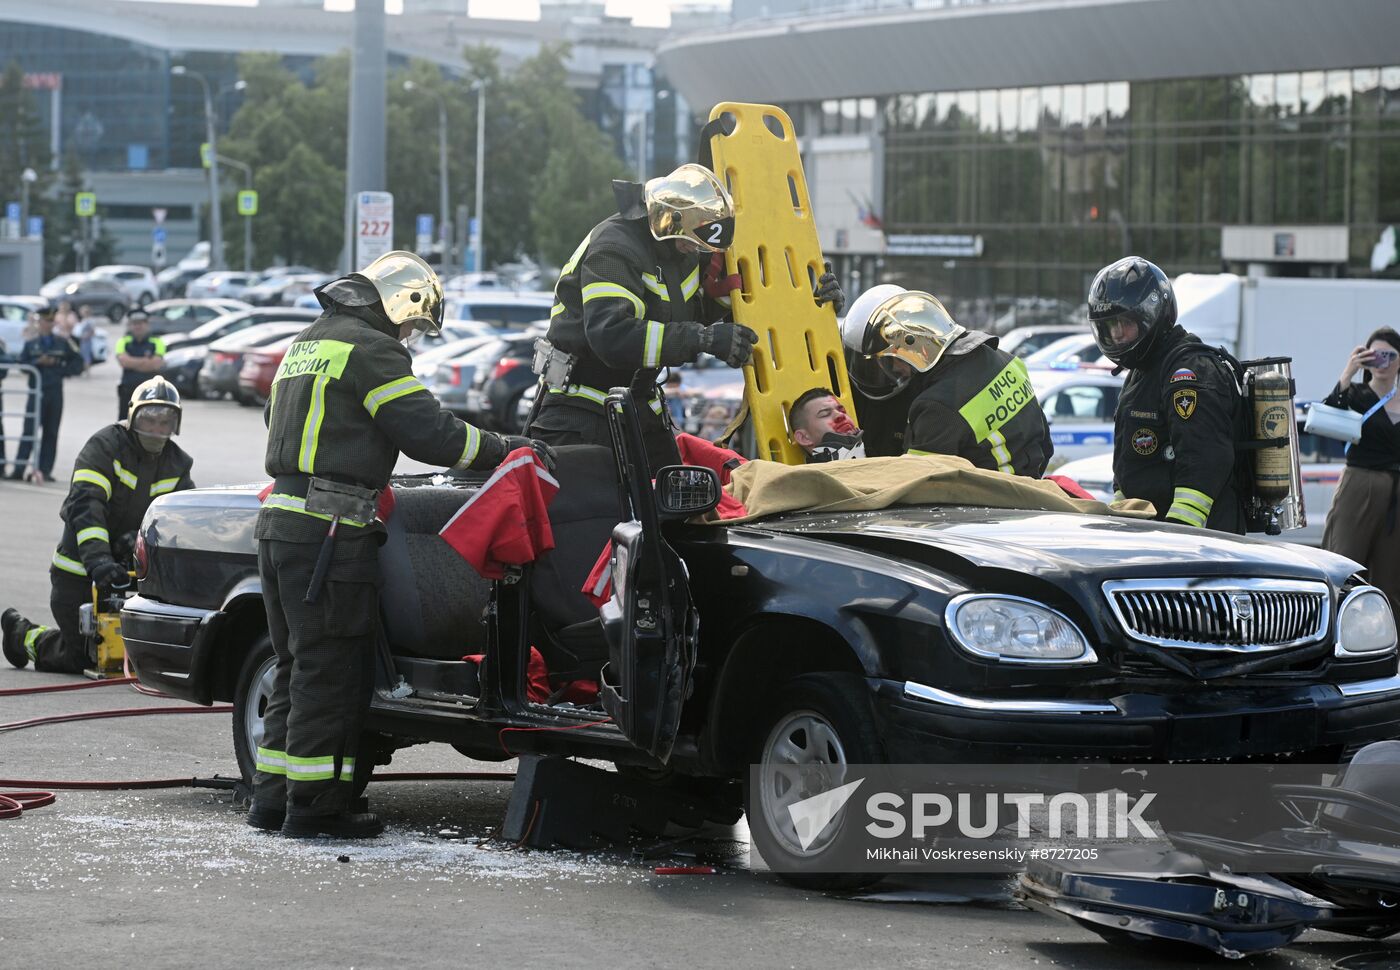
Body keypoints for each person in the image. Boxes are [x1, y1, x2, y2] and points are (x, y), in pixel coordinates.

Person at [252, 250, 553, 841]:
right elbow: (428, 433)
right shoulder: (371, 349)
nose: (410, 336)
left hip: (281, 523)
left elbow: (285, 423)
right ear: (396, 303)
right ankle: (315, 808)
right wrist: (503, 447)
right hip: (331, 532)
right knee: (330, 671)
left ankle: (273, 797)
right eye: (413, 324)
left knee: (296, 665)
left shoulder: (308, 343)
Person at [527, 162, 845, 473]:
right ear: (670, 219)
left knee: (676, 509)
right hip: (580, 411)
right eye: (693, 241)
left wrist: (812, 301)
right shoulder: (614, 248)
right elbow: (612, 337)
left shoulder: (677, 253)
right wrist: (703, 339)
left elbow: (691, 312)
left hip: (638, 408)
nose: (696, 251)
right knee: (583, 517)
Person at [3, 376, 194, 674]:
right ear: (133, 416)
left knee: (125, 654)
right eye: (149, 420)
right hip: (78, 570)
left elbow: (179, 521)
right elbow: (85, 505)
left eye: (165, 422)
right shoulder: (105, 447)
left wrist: (139, 540)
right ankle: (22, 635)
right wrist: (100, 560)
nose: (157, 429)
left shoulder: (178, 464)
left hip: (131, 573)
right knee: (85, 657)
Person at [1088, 256, 1244, 533]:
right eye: (1110, 327)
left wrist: (1179, 534)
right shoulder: (1143, 370)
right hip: (1153, 538)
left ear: (1152, 314)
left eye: (1125, 323)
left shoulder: (1188, 373)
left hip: (1198, 547)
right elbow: (1134, 466)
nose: (1117, 335)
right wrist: (1122, 518)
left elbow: (1205, 462)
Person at [842, 285, 1053, 476]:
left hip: (982, 510)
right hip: (1027, 493)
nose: (893, 371)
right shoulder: (1006, 360)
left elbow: (911, 485)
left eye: (890, 362)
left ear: (912, 344)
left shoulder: (938, 406)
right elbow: (1044, 444)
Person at [1321, 327, 1400, 612]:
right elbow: (1328, 415)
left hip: (1396, 493)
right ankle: (1331, 641)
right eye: (1375, 355)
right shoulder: (1355, 394)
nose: (1383, 362)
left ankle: (1388, 648)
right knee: (1343, 565)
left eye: (1390, 355)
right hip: (1359, 483)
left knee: (1391, 579)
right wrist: (1349, 371)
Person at [11, 304, 83, 484]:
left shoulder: (62, 342)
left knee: (51, 432)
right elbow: (22, 365)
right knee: (29, 431)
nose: (47, 324)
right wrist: (38, 361)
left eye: (51, 321)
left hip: (55, 392)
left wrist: (60, 370)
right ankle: (19, 469)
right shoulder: (31, 344)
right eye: (45, 321)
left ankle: (45, 470)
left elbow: (78, 363)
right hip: (36, 393)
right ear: (39, 322)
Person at [788, 387, 865, 462]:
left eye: (842, 411)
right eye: (825, 414)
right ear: (804, 438)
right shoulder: (809, 475)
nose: (840, 415)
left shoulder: (875, 453)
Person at [115, 309, 167, 419]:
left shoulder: (157, 342)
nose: (137, 326)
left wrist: (133, 362)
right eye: (134, 323)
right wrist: (145, 361)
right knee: (124, 424)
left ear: (147, 324)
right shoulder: (123, 341)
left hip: (150, 393)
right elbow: (124, 362)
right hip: (128, 392)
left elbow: (156, 364)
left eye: (140, 323)